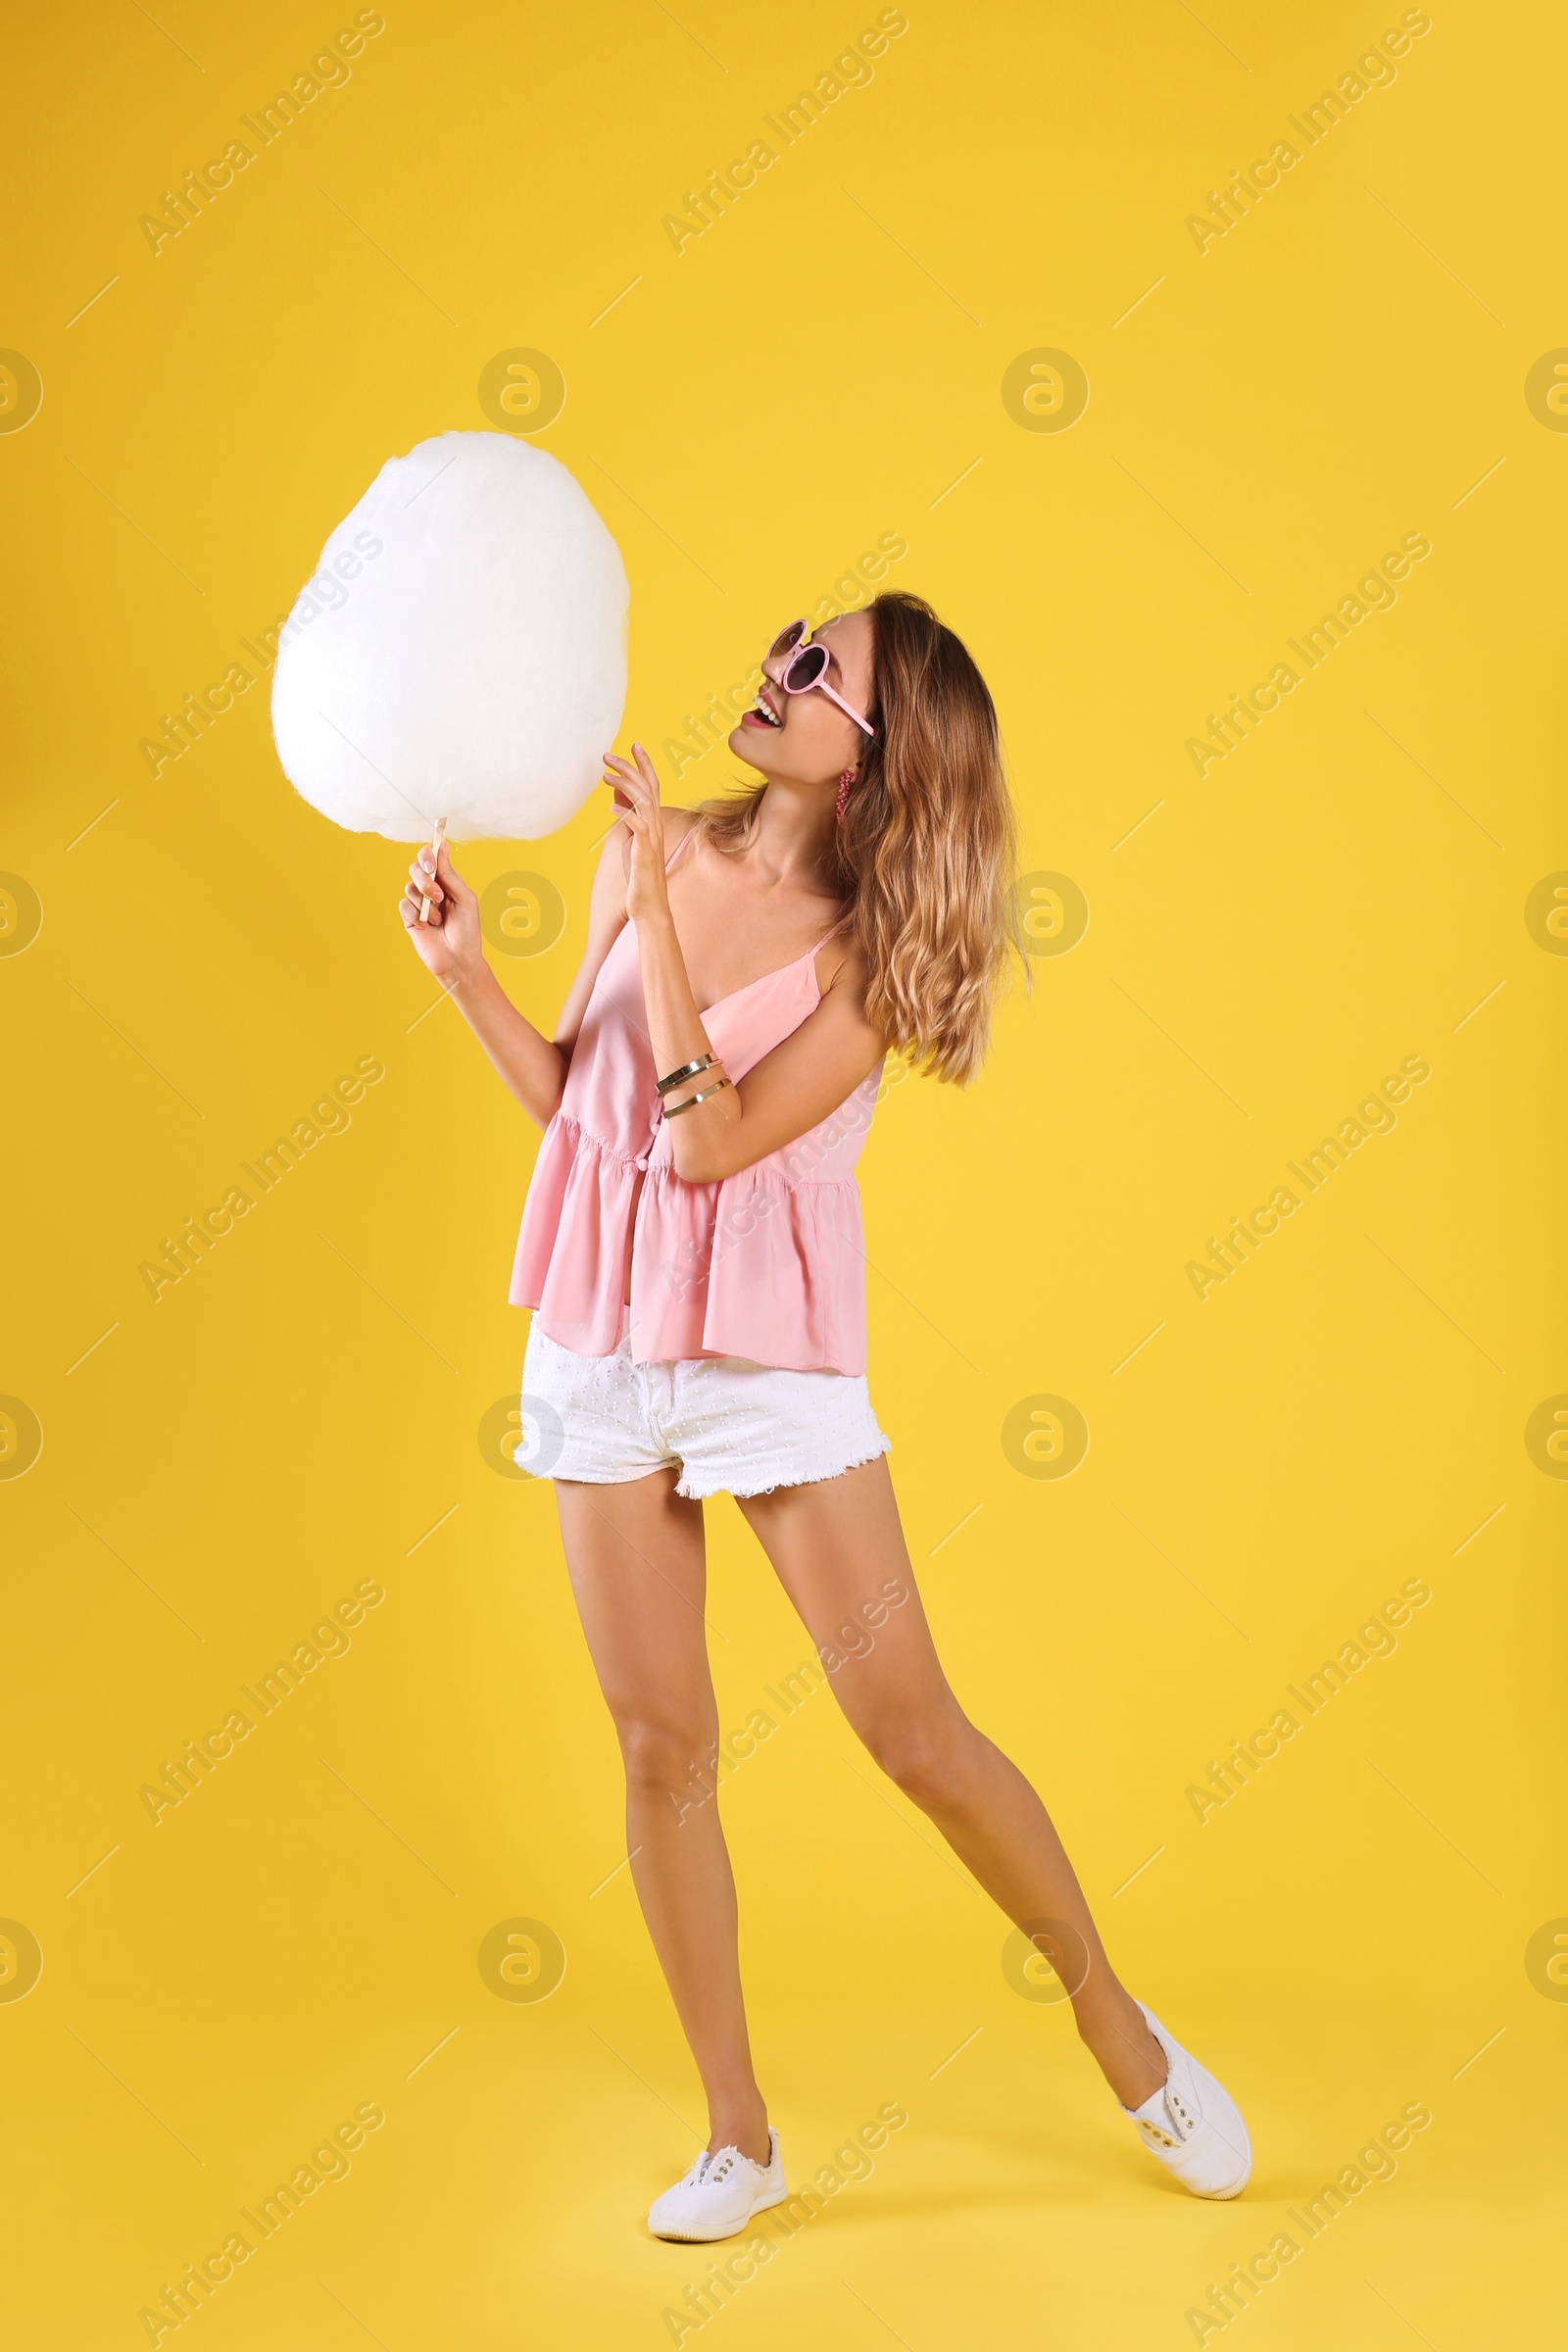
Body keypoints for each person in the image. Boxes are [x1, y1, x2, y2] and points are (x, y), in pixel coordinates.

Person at [399, 591, 1250, 2240]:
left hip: (764, 1361)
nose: (775, 673)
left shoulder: (869, 951)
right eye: (790, 643)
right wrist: (465, 978)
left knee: (911, 1733)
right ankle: (741, 2136)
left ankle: (1121, 2034)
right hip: (599, 1338)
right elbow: (584, 1104)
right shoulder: (655, 853)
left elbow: (711, 1144)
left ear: (877, 760)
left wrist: (650, 887)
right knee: (661, 1748)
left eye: (820, 674)